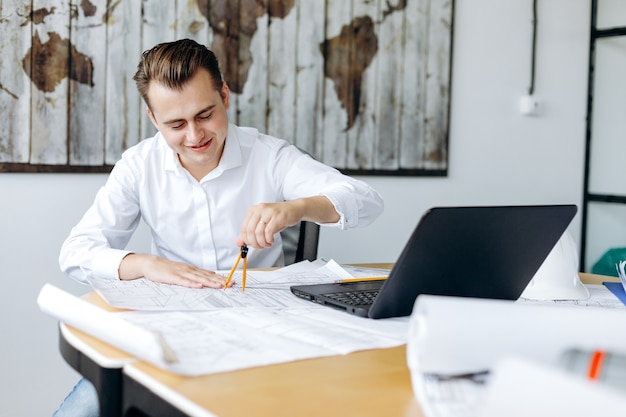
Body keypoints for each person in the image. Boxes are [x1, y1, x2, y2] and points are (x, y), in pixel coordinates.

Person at [54, 38, 383, 416]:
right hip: (171, 333)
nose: (195, 137)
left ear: (225, 95)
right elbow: (75, 252)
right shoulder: (138, 166)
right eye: (176, 124)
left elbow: (366, 200)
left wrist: (298, 207)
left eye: (205, 115)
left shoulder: (269, 156)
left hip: (267, 336)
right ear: (152, 118)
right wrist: (145, 265)